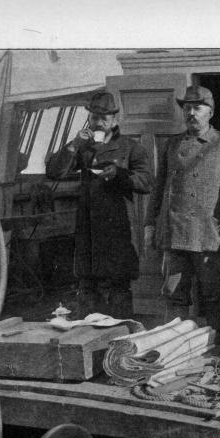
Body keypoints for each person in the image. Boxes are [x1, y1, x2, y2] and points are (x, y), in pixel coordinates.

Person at [144, 85, 220, 342]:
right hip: (174, 233)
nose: (191, 113)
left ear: (210, 112)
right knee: (174, 294)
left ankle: (218, 349)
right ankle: (175, 350)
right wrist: (149, 223)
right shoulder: (172, 144)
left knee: (213, 297)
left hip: (208, 235)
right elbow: (159, 187)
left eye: (197, 108)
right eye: (187, 108)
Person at [46, 91, 153, 318]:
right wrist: (74, 145)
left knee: (118, 290)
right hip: (88, 232)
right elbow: (54, 172)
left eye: (105, 118)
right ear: (89, 118)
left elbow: (146, 182)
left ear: (115, 119)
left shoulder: (130, 147)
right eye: (95, 117)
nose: (99, 122)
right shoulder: (82, 146)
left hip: (118, 231)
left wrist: (119, 174)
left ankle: (121, 342)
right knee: (87, 290)